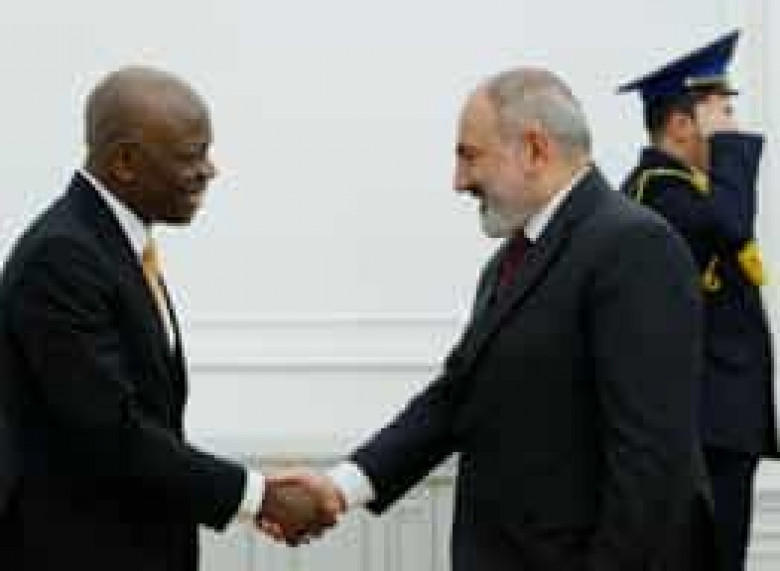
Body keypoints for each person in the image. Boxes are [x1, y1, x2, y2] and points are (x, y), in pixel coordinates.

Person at [265, 67, 713, 570]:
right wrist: (340, 487)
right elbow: (457, 398)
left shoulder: (635, 246)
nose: (459, 181)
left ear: (534, 150)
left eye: (469, 156)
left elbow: (651, 464)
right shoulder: (509, 262)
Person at [0, 66, 329, 571]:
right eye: (191, 156)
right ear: (125, 161)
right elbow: (113, 431)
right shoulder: (61, 257)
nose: (209, 171)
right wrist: (259, 497)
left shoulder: (110, 244)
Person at [619, 31, 777, 571]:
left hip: (716, 423)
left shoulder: (683, 191)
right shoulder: (662, 194)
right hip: (701, 426)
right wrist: (731, 149)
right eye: (722, 113)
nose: (733, 126)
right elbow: (731, 227)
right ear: (683, 125)